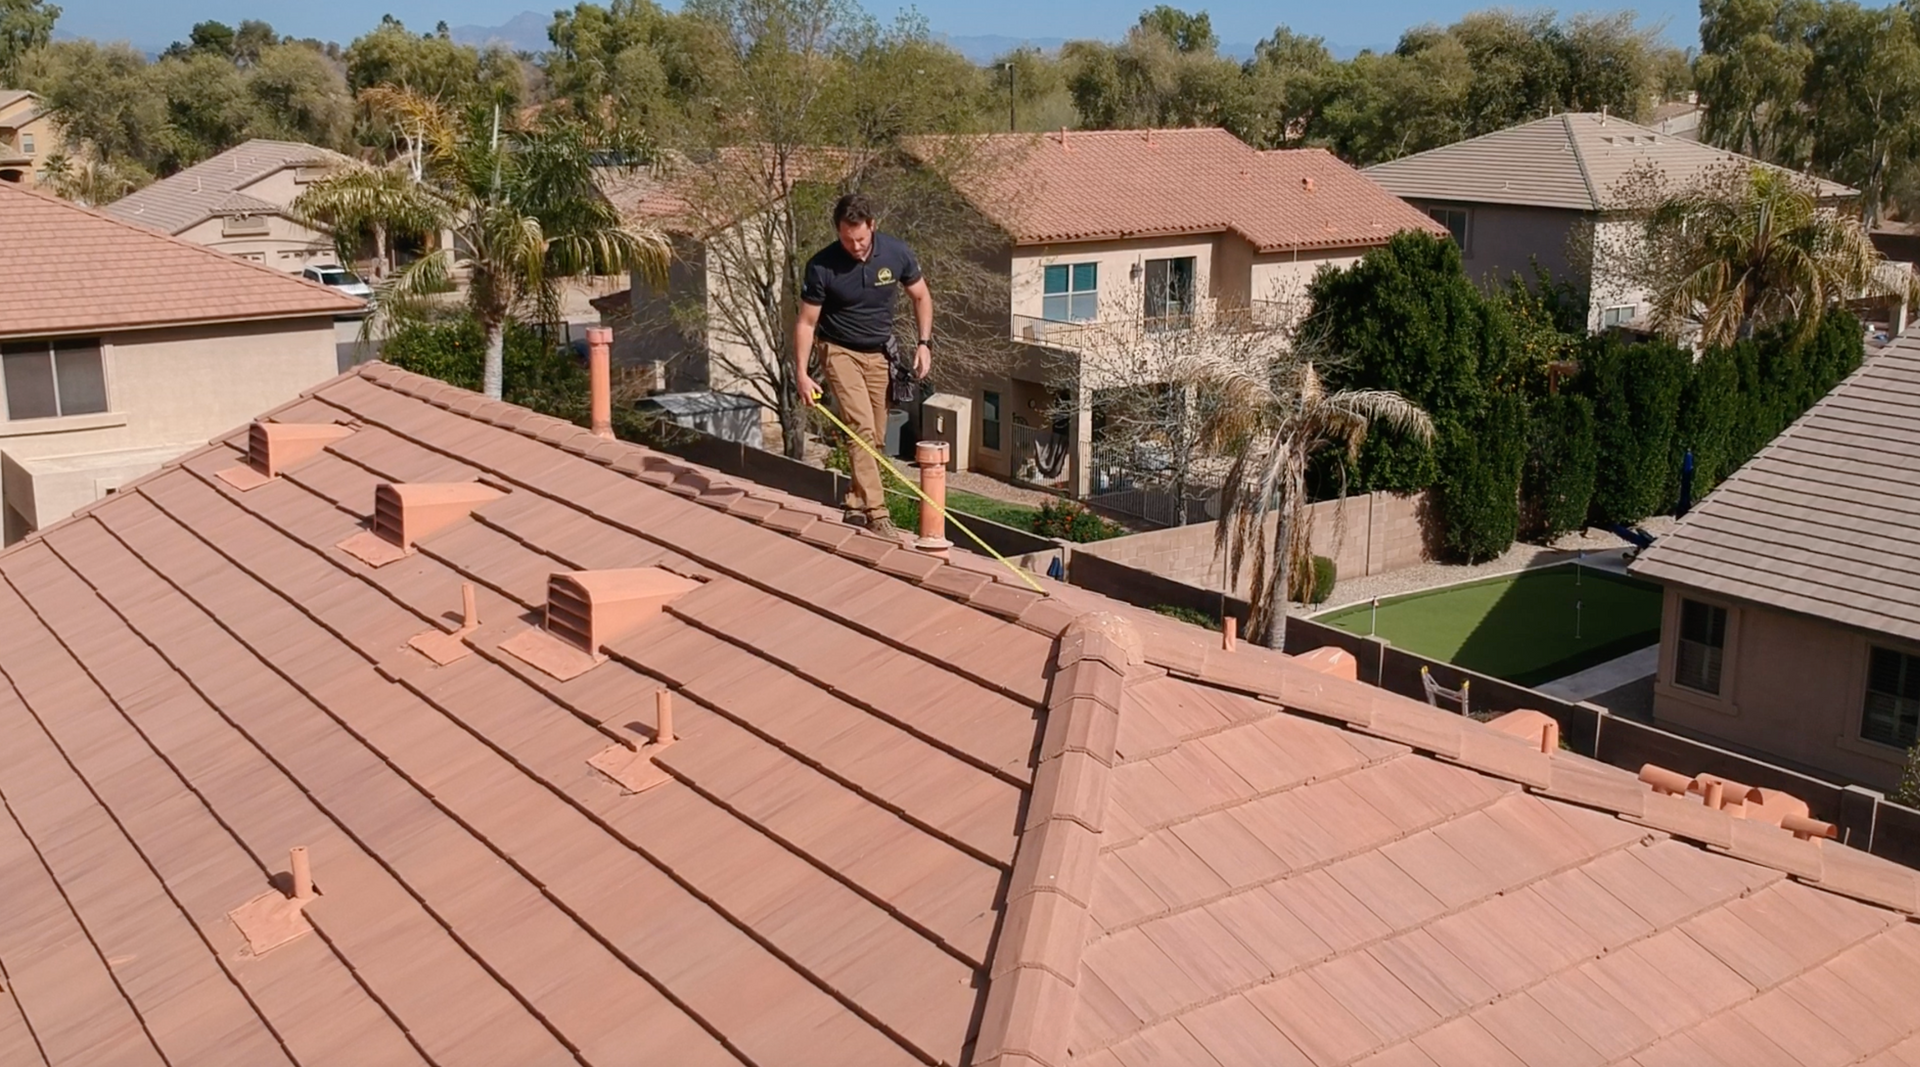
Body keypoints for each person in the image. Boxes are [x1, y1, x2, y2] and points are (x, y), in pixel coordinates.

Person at [795, 193, 934, 536]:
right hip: (838, 350)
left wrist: (924, 344)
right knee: (860, 429)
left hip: (878, 353)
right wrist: (800, 372)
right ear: (838, 233)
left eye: (860, 238)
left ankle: (856, 501)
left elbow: (921, 296)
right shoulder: (822, 266)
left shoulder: (897, 253)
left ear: (873, 226)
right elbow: (806, 323)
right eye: (846, 239)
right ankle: (877, 513)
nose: (855, 247)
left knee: (876, 436)